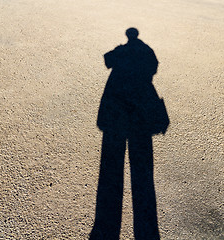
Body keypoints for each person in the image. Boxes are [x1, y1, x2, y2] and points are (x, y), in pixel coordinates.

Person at [90, 28, 168, 240]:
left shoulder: (122, 50)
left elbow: (107, 60)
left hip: (116, 111)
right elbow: (154, 67)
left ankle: (106, 227)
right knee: (142, 170)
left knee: (111, 168)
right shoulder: (146, 51)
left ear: (128, 35)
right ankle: (145, 228)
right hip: (141, 111)